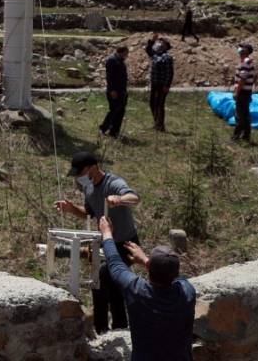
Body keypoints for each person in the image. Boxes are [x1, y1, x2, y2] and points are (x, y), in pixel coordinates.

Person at [54, 151, 141, 333]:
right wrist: (70, 209)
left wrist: (119, 199)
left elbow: (134, 198)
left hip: (126, 244)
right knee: (104, 281)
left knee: (104, 276)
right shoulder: (89, 188)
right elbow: (87, 212)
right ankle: (104, 328)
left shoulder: (113, 182)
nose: (79, 177)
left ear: (92, 167)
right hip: (106, 242)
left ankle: (117, 327)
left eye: (80, 172)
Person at [98, 215, 196, 361]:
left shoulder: (137, 291)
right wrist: (146, 261)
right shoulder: (187, 292)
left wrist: (106, 233)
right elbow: (174, 277)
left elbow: (114, 263)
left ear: (149, 269)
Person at [145, 34, 174, 132]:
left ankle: (160, 126)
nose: (160, 44)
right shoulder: (155, 54)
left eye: (162, 43)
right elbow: (148, 50)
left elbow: (169, 73)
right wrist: (152, 41)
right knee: (152, 103)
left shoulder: (167, 57)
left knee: (159, 104)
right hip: (154, 83)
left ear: (166, 46)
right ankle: (156, 123)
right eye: (159, 42)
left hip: (162, 85)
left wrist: (167, 85)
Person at [99, 45, 129, 138]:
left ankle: (114, 131)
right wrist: (112, 90)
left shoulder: (120, 60)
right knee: (114, 110)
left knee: (120, 111)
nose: (127, 55)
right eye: (126, 53)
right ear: (122, 52)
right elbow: (110, 77)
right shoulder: (112, 60)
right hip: (115, 91)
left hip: (121, 90)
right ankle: (104, 128)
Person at [232, 43, 256, 142]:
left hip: (242, 93)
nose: (240, 49)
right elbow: (254, 77)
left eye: (242, 48)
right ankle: (246, 136)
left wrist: (237, 92)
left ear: (246, 51)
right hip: (246, 91)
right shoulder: (248, 62)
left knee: (240, 115)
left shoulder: (245, 62)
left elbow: (242, 79)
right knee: (245, 115)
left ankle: (236, 136)